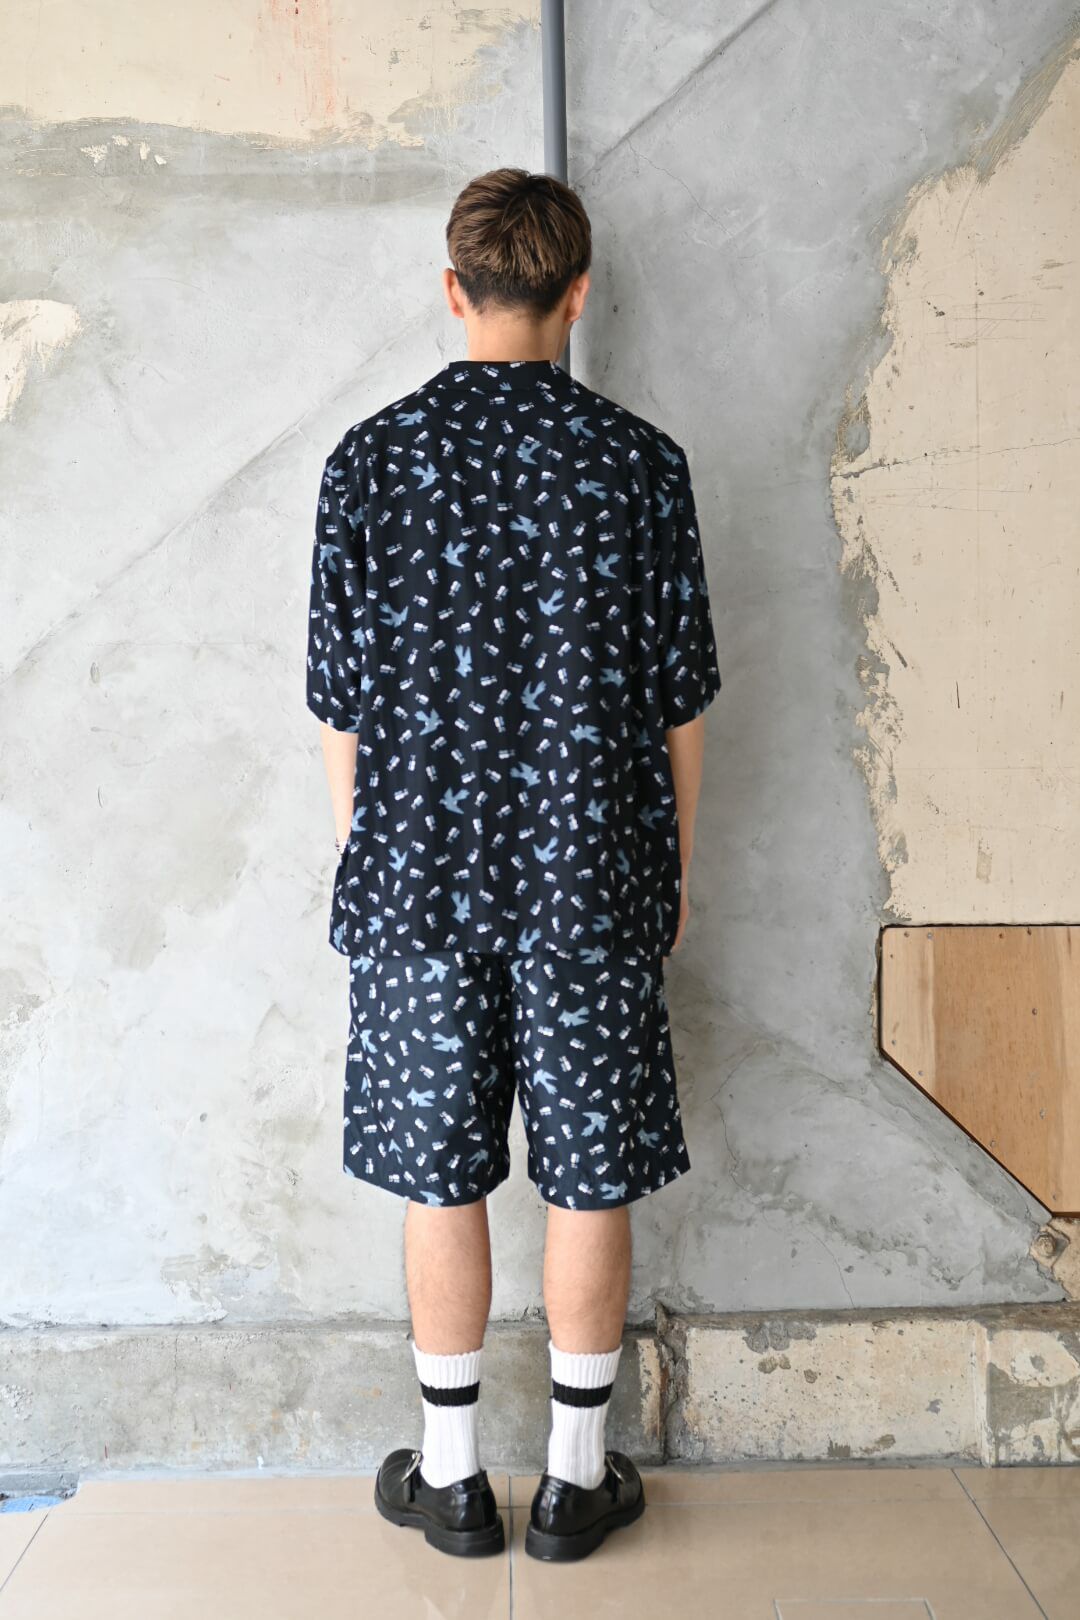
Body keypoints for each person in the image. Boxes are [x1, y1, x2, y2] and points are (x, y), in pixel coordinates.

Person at [305, 167, 721, 1562]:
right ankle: (573, 1482)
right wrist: (672, 873)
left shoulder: (370, 460)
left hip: (418, 879)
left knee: (442, 1175)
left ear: (454, 289)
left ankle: (448, 1478)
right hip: (592, 877)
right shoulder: (641, 466)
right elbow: (680, 702)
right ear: (577, 295)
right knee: (590, 1174)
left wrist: (372, 852)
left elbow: (339, 707)